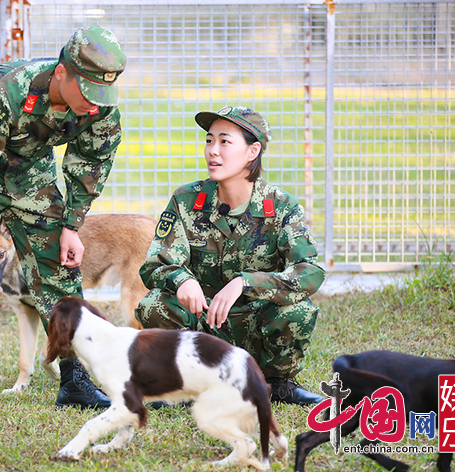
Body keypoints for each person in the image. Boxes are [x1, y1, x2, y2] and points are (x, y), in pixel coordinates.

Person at [0, 26, 127, 425]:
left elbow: (91, 163)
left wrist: (71, 226)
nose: (93, 106)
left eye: (100, 96)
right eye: (86, 93)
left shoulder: (100, 104)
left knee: (61, 271)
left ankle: (74, 382)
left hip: (29, 172)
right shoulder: (7, 93)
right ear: (61, 74)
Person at [135, 105, 325, 406]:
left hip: (255, 323)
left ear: (252, 152)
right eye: (209, 141)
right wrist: (182, 279)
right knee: (154, 304)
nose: (213, 151)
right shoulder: (186, 200)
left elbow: (310, 272)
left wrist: (246, 282)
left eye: (225, 142)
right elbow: (156, 263)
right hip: (203, 325)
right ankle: (187, 386)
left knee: (298, 310)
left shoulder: (282, 207)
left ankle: (277, 384)